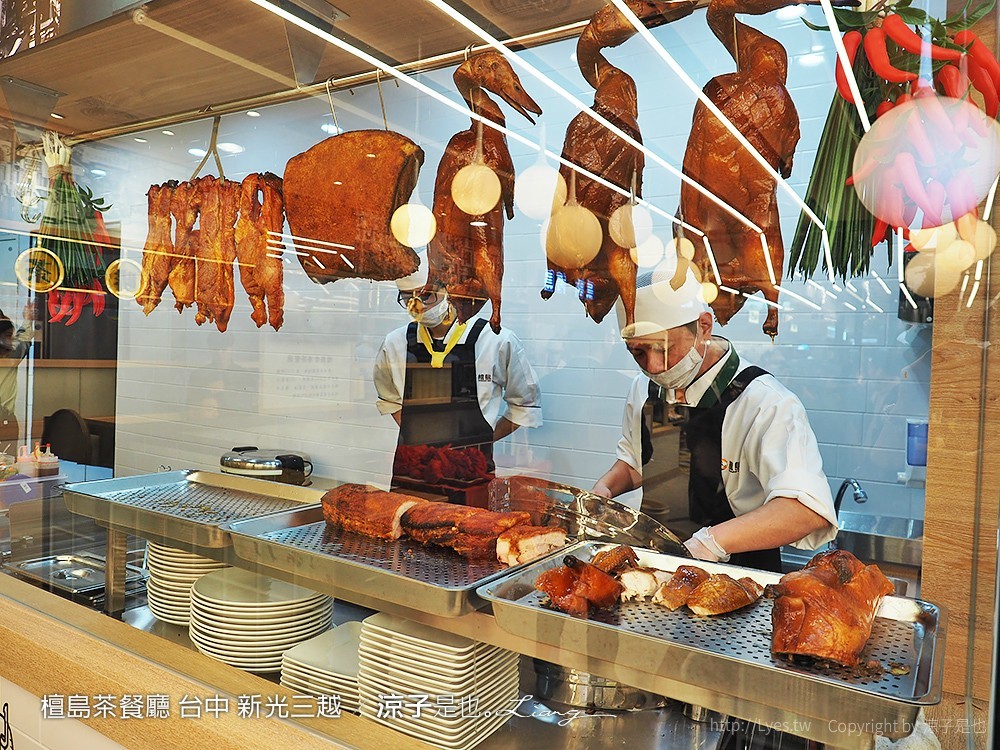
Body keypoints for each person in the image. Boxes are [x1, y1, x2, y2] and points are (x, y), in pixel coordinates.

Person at [592, 270, 837, 572]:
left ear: (704, 327)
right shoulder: (643, 389)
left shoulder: (765, 402)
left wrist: (709, 543)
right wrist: (604, 490)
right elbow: (636, 463)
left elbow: (805, 510)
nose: (654, 366)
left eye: (664, 349)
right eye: (638, 352)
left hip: (739, 578)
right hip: (655, 566)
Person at [373, 263, 541, 488]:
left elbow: (524, 406)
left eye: (427, 296)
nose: (418, 306)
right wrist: (418, 440)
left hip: (472, 470)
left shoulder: (496, 340)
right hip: (412, 473)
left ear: (448, 291)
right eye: (408, 299)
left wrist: (482, 440)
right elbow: (389, 400)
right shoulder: (395, 343)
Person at [0, 303, 38, 444]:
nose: (10, 340)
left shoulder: (11, 354)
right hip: (5, 421)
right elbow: (23, 339)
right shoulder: (10, 355)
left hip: (6, 421)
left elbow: (22, 340)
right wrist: (28, 319)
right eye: (8, 335)